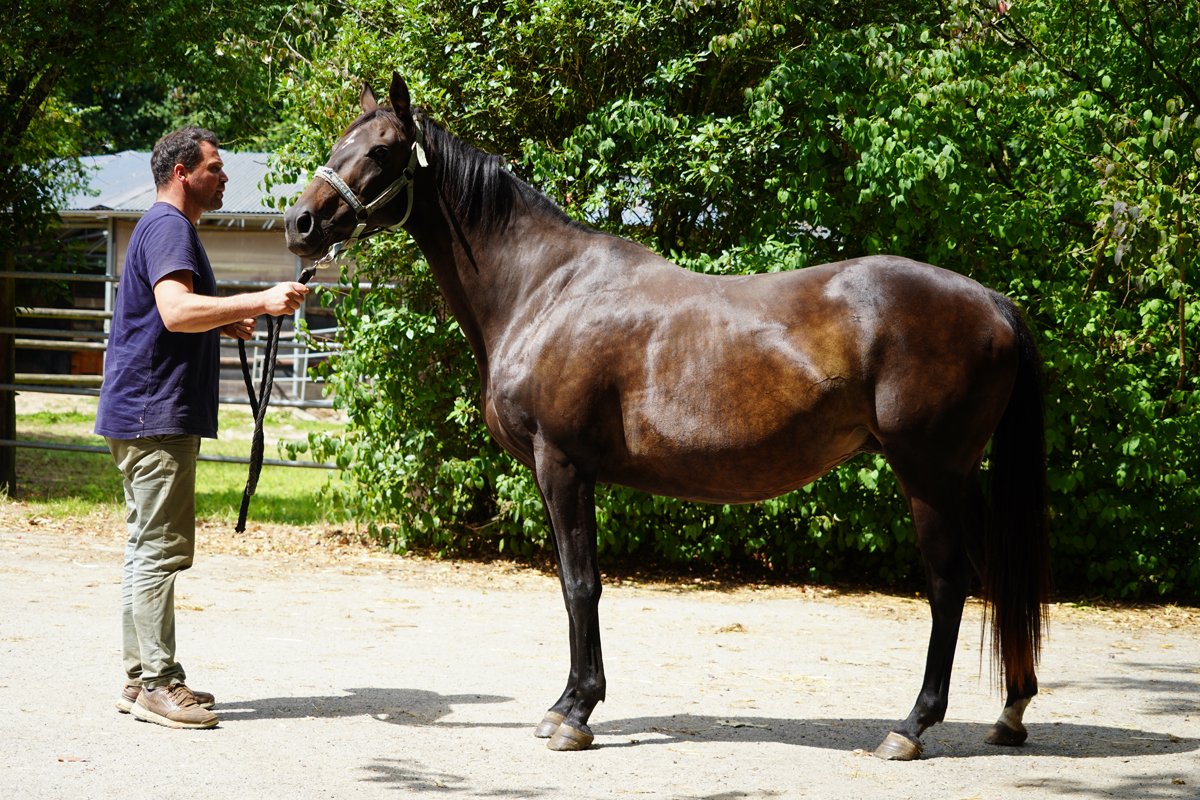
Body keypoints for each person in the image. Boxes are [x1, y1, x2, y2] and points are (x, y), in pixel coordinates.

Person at [95, 127, 308, 729]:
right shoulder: (169, 227)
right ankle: (159, 684)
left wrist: (221, 322)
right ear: (182, 172)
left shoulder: (161, 226)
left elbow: (170, 316)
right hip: (155, 416)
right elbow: (175, 310)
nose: (224, 177)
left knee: (144, 548)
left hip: (141, 412)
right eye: (215, 167)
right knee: (159, 551)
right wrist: (258, 301)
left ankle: (140, 678)